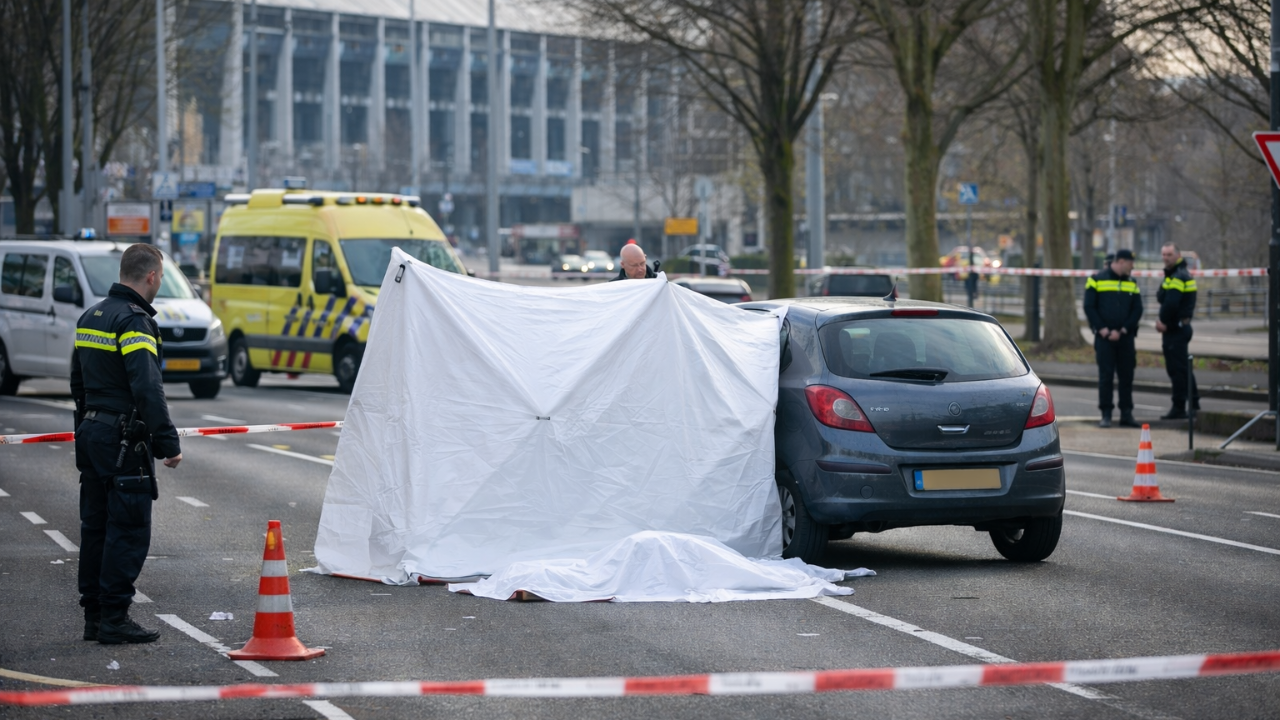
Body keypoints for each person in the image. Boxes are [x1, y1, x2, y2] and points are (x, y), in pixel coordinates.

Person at [71, 244, 183, 644]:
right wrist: (167, 442)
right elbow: (147, 388)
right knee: (128, 529)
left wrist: (86, 428)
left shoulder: (91, 316)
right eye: (161, 277)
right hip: (122, 440)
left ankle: (95, 617)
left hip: (92, 433)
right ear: (151, 276)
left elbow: (78, 383)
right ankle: (115, 618)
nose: (160, 283)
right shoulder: (134, 323)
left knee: (96, 527)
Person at [1083, 248, 1143, 428]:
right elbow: (1089, 307)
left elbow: (1137, 309)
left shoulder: (1132, 282)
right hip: (1104, 338)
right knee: (1106, 376)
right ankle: (1106, 414)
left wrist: (1124, 329)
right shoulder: (1096, 280)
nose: (1132, 268)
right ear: (1122, 261)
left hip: (1125, 338)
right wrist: (1102, 329)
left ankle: (1126, 414)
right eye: (1130, 264)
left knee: (1126, 376)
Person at [1155, 242, 1199, 419]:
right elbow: (1161, 296)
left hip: (1176, 329)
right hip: (1176, 328)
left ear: (1178, 255)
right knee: (1180, 369)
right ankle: (1189, 405)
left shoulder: (1179, 276)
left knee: (1179, 370)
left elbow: (1170, 304)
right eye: (1164, 254)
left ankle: (1182, 406)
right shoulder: (1172, 275)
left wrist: (1164, 323)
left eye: (1169, 254)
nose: (1166, 258)